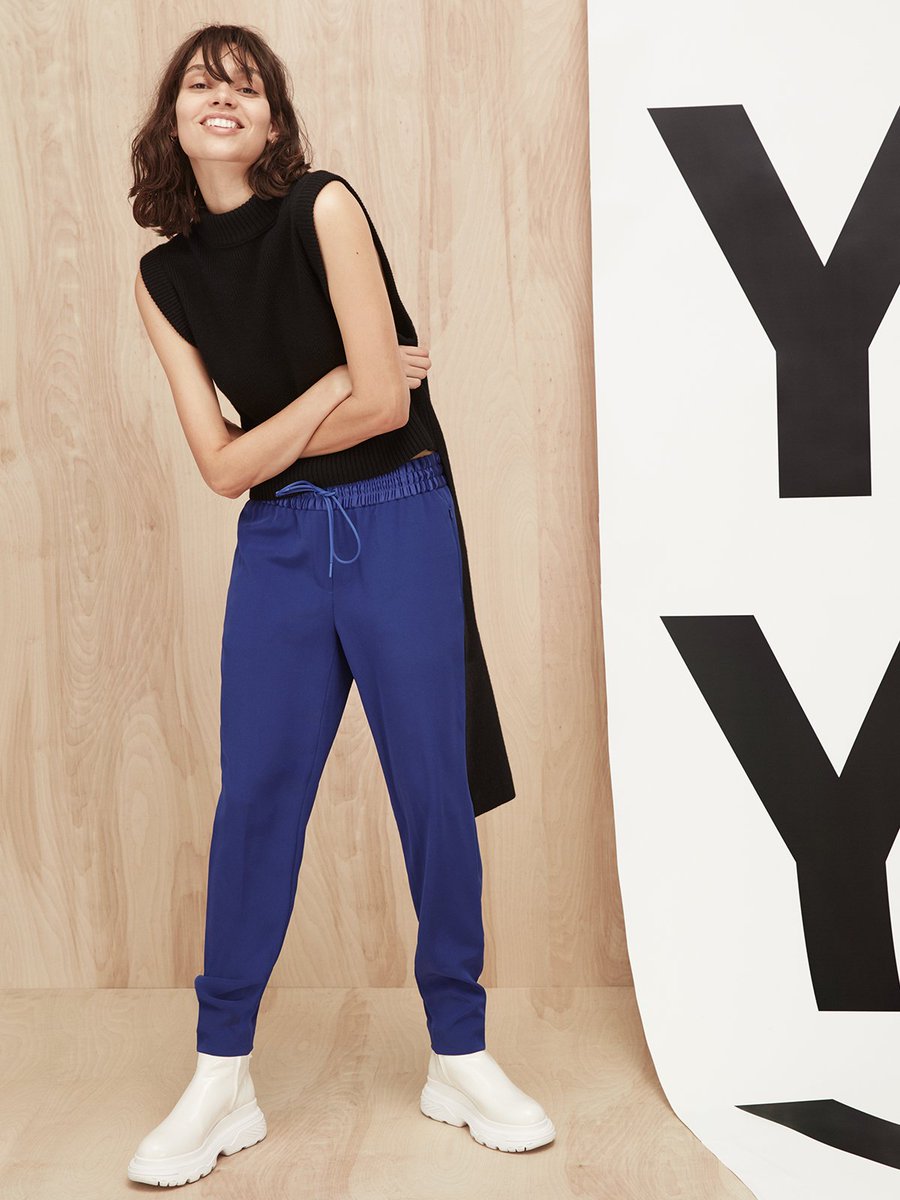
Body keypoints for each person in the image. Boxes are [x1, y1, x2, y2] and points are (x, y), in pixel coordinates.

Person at [126, 24, 554, 1186]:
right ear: (175, 118)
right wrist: (329, 386)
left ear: (273, 122)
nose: (223, 97)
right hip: (277, 546)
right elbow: (224, 468)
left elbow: (385, 411)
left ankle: (459, 1051)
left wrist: (291, 427)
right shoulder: (163, 279)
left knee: (432, 787)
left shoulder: (324, 207)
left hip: (400, 518)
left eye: (247, 86)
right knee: (256, 800)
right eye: (202, 83)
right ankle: (222, 1076)